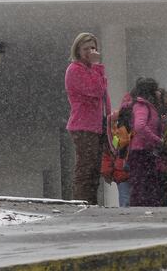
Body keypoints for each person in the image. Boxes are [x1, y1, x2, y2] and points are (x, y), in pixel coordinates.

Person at [65, 32, 111, 205]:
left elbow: (102, 95)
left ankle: (90, 203)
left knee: (93, 169)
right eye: (86, 49)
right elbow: (97, 90)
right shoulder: (75, 70)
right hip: (83, 126)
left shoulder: (89, 70)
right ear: (77, 50)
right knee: (86, 168)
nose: (90, 52)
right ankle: (81, 203)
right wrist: (98, 66)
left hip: (95, 125)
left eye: (93, 48)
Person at [127, 77, 164, 207]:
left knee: (145, 184)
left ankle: (144, 207)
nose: (159, 92)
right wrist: (157, 140)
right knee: (142, 185)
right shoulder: (142, 106)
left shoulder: (148, 106)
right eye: (156, 90)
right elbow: (140, 126)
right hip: (141, 152)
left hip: (145, 151)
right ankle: (140, 209)